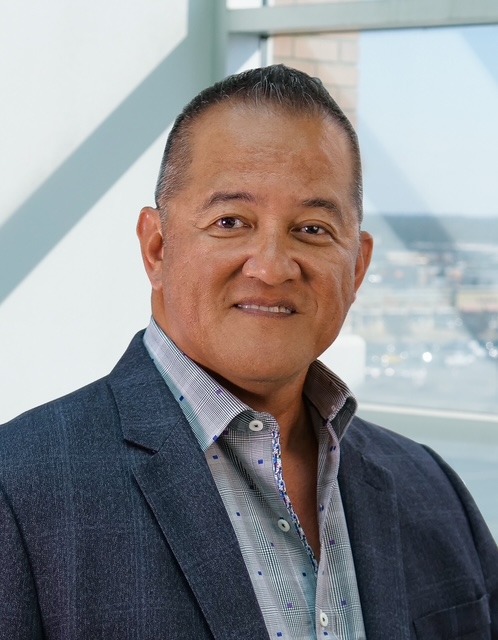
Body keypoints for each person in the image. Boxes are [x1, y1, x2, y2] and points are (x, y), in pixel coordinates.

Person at [0, 65, 496, 640]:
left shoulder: (434, 489)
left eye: (312, 229)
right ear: (157, 248)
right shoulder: (19, 494)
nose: (272, 267)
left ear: (357, 267)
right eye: (231, 221)